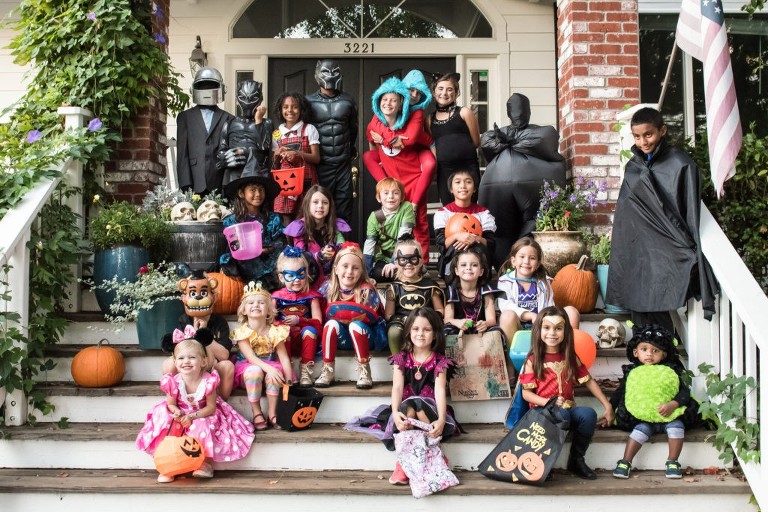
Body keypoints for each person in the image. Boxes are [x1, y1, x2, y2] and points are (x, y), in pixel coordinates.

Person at [606, 107, 717, 333]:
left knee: (658, 301)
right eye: (637, 136)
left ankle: (665, 356)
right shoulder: (633, 167)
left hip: (665, 246)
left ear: (662, 130)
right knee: (638, 301)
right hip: (637, 246)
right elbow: (627, 211)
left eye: (649, 134)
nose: (643, 141)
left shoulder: (680, 164)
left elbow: (687, 208)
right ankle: (642, 357)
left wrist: (689, 245)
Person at [344, 308, 459, 485]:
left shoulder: (439, 362)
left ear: (435, 334)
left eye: (427, 329)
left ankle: (431, 456)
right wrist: (395, 412)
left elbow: (440, 391)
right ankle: (404, 463)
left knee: (418, 405)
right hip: (406, 412)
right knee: (409, 409)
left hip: (430, 413)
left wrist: (442, 419)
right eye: (415, 329)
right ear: (408, 332)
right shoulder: (401, 359)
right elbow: (397, 387)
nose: (420, 333)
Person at [136, 337, 254, 483]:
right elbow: (171, 404)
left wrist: (193, 417)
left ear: (203, 362)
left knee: (202, 425)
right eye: (181, 358)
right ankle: (167, 464)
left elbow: (211, 407)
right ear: (175, 362)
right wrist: (176, 412)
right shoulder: (173, 382)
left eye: (192, 357)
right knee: (166, 419)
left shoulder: (208, 381)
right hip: (181, 412)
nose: (186, 361)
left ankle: (204, 463)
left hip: (202, 412)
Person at [519, 306, 615, 479]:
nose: (552, 333)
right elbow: (527, 394)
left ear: (566, 331)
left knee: (588, 414)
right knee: (561, 413)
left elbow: (589, 380)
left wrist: (607, 404)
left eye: (558, 328)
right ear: (538, 329)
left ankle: (576, 460)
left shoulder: (570, 356)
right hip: (543, 412)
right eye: (547, 327)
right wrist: (548, 402)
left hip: (567, 410)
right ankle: (542, 461)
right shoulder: (533, 360)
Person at [478, 93, 566, 267]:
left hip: (517, 187)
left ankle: (518, 267)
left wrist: (509, 141)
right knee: (505, 229)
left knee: (525, 227)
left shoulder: (541, 131)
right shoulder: (496, 134)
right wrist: (513, 140)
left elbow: (545, 139)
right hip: (508, 189)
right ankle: (509, 269)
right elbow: (486, 142)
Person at [611, 325, 700, 479]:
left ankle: (672, 462)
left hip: (669, 415)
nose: (649, 354)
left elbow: (684, 392)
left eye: (655, 350)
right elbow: (622, 393)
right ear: (635, 352)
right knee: (640, 429)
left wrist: (674, 404)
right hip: (644, 417)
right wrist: (610, 409)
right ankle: (626, 461)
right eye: (644, 349)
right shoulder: (633, 373)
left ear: (664, 354)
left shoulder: (671, 371)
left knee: (677, 426)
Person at [363, 74, 435, 258]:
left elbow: (411, 139)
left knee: (418, 221)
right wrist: (381, 148)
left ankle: (423, 263)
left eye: (418, 93)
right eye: (410, 90)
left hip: (413, 175)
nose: (413, 95)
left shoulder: (415, 114)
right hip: (393, 179)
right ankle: (395, 260)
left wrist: (386, 140)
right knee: (390, 221)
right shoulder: (378, 118)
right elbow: (371, 135)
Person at [316, 242, 386, 389]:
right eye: (345, 266)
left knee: (355, 325)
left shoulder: (366, 291)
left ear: (361, 272)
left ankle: (364, 369)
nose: (349, 272)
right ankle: (328, 369)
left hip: (365, 336)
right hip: (342, 338)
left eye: (355, 268)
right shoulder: (327, 289)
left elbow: (374, 318)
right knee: (330, 325)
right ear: (335, 269)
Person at [160, 270, 235, 400]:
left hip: (211, 365)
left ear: (214, 297)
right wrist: (193, 335)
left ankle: (221, 402)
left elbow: (224, 355)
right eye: (193, 293)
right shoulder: (184, 320)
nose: (199, 298)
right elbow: (178, 352)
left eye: (204, 293)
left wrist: (204, 334)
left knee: (227, 366)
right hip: (190, 366)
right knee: (168, 364)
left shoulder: (219, 321)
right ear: (184, 298)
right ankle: (177, 398)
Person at [232, 281, 293, 431]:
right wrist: (270, 369)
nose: (256, 305)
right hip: (247, 370)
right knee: (255, 371)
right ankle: (256, 411)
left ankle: (272, 413)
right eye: (251, 303)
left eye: (261, 303)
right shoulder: (243, 332)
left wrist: (289, 379)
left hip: (270, 368)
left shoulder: (275, 331)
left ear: (269, 310)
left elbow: (284, 357)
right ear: (244, 310)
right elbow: (251, 358)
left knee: (275, 373)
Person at [498, 237, 579, 345]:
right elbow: (506, 306)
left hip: (542, 325)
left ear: (537, 264)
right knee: (507, 316)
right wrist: (531, 315)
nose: (526, 261)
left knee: (572, 311)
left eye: (532, 258)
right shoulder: (504, 282)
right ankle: (511, 360)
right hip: (517, 326)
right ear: (513, 261)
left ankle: (566, 356)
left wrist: (544, 320)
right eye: (522, 257)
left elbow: (550, 307)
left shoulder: (544, 283)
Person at [219, 161, 285, 290]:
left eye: (261, 190)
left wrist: (266, 250)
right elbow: (233, 248)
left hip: (270, 266)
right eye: (253, 190)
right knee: (227, 259)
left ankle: (269, 285)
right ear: (241, 193)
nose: (258, 194)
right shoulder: (231, 222)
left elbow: (280, 244)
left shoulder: (273, 219)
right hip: (245, 265)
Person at [306, 59, 359, 220]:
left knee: (344, 208)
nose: (329, 76)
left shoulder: (348, 101)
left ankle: (343, 243)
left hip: (343, 164)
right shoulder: (307, 102)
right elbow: (304, 131)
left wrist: (349, 151)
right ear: (317, 75)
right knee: (319, 208)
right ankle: (320, 245)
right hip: (320, 164)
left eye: (334, 71)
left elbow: (352, 129)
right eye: (325, 72)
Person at [176, 66, 234, 194]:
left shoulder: (229, 118)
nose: (207, 90)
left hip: (219, 180)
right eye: (203, 86)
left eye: (211, 85)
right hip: (195, 180)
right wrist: (185, 184)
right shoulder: (185, 117)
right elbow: (182, 154)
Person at [426, 73, 481, 206]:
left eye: (450, 89)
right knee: (449, 209)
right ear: (434, 92)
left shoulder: (464, 112)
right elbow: (431, 144)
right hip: (445, 171)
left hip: (468, 168)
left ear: (456, 93)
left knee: (469, 208)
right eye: (440, 89)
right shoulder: (428, 119)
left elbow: (476, 142)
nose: (444, 93)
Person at [272, 246, 323, 387]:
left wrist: (300, 320)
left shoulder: (312, 297)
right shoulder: (276, 298)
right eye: (290, 275)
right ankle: (286, 369)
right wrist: (281, 325)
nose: (296, 280)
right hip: (285, 341)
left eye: (300, 274)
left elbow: (318, 322)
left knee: (310, 331)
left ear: (306, 273)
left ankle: (306, 371)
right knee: (283, 333)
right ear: (281, 277)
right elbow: (270, 320)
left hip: (305, 339)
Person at [432, 170, 496, 281]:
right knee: (455, 248)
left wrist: (474, 238)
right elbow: (441, 245)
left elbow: (490, 244)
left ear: (475, 188)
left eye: (468, 182)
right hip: (452, 260)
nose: (463, 186)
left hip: (478, 259)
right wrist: (457, 236)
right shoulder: (443, 213)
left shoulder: (484, 213)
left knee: (479, 248)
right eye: (457, 182)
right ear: (451, 189)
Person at [385, 238, 444, 354]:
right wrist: (404, 320)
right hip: (402, 323)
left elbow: (440, 309)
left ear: (421, 261)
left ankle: (430, 361)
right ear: (396, 263)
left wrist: (429, 319)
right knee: (394, 332)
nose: (408, 264)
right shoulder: (394, 288)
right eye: (403, 259)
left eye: (413, 259)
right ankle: (398, 363)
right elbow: (389, 314)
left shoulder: (431, 287)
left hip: (425, 323)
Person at [284, 184, 351, 287]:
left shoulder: (336, 226)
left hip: (334, 280)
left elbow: (344, 249)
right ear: (308, 205)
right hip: (309, 280)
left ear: (330, 206)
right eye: (315, 202)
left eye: (325, 203)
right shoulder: (300, 227)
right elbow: (300, 257)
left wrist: (335, 249)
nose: (320, 206)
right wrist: (319, 256)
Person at [271, 92, 321, 224]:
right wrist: (276, 155)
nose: (289, 110)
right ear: (280, 110)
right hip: (286, 183)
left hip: (306, 180)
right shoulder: (277, 134)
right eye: (285, 107)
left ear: (301, 109)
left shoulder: (309, 129)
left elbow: (316, 158)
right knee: (286, 215)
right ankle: (290, 244)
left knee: (304, 215)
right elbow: (275, 165)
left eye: (294, 107)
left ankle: (303, 244)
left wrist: (297, 153)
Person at [217, 80, 273, 195]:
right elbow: (221, 151)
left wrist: (258, 121)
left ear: (260, 99)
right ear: (237, 99)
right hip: (234, 174)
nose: (248, 103)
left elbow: (264, 146)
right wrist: (226, 159)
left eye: (253, 98)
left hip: (258, 173)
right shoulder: (230, 123)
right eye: (243, 98)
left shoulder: (266, 123)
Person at [363, 177, 416, 282]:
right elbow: (370, 244)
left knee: (404, 271)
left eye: (396, 193)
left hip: (405, 254)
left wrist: (394, 262)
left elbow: (403, 237)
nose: (391, 197)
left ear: (401, 197)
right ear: (379, 198)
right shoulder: (374, 217)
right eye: (386, 193)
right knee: (380, 274)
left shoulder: (407, 207)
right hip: (384, 258)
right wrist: (366, 274)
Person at [442, 246, 498, 336]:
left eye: (474, 265)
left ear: (481, 271)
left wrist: (485, 324)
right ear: (456, 270)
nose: (468, 268)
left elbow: (492, 320)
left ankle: (488, 350)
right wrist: (457, 322)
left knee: (496, 330)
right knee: (447, 329)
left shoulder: (486, 290)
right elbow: (447, 318)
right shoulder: (451, 291)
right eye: (463, 265)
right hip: (459, 329)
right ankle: (454, 350)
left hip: (481, 329)